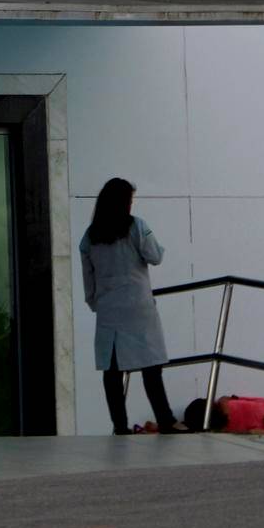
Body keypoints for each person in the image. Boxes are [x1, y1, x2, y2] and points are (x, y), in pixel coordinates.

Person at [79, 177, 186, 435]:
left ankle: (120, 425)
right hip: (138, 306)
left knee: (112, 370)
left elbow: (88, 279)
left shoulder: (90, 236)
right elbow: (155, 256)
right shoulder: (136, 226)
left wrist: (97, 303)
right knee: (151, 366)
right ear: (126, 202)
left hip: (108, 309)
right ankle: (165, 419)